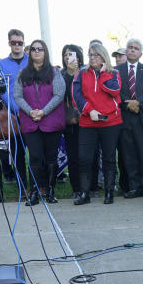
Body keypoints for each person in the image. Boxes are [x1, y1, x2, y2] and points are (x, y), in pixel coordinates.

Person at [12, 39, 66, 205]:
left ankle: (49, 191)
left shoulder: (54, 72)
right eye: (33, 49)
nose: (36, 51)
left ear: (45, 52)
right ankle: (35, 191)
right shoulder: (23, 73)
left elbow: (59, 94)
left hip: (51, 121)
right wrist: (30, 111)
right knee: (34, 157)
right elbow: (17, 96)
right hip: (30, 122)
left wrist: (43, 111)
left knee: (50, 158)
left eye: (40, 49)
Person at [72, 42, 122, 205]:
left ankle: (109, 192)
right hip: (88, 122)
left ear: (103, 57)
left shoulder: (113, 73)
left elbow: (114, 91)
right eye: (90, 55)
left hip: (110, 122)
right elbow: (76, 95)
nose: (92, 58)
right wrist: (89, 110)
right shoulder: (81, 73)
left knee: (109, 158)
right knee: (85, 159)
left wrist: (104, 73)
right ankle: (85, 193)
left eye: (96, 55)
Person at [118, 38, 143, 198]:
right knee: (129, 155)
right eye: (130, 47)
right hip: (125, 117)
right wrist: (128, 104)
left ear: (141, 53)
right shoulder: (117, 70)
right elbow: (116, 91)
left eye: (136, 48)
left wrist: (139, 102)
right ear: (126, 51)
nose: (133, 50)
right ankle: (134, 187)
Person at [0, 29, 29, 187]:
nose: (17, 45)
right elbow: (1, 89)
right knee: (18, 154)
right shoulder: (0, 64)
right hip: (13, 115)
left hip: (34, 115)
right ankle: (22, 187)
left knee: (37, 154)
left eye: (20, 42)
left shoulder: (33, 61)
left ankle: (42, 187)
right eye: (14, 42)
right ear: (9, 43)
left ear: (24, 43)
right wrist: (16, 108)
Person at [61, 44, 84, 199]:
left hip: (88, 119)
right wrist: (70, 73)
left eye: (72, 54)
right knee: (73, 156)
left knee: (90, 155)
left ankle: (91, 187)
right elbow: (63, 94)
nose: (69, 57)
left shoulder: (87, 71)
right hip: (71, 121)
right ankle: (76, 188)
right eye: (66, 54)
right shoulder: (60, 74)